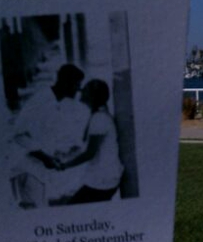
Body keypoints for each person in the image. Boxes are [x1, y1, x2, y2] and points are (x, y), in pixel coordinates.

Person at [10, 63, 90, 207]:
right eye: (76, 85)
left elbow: (43, 135)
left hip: (39, 171)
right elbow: (18, 134)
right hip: (27, 170)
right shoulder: (40, 101)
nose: (78, 90)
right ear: (65, 82)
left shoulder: (57, 103)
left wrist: (61, 151)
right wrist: (45, 157)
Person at [59, 79, 123, 204]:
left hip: (103, 182)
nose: (80, 90)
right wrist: (66, 155)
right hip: (105, 178)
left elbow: (90, 153)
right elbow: (88, 146)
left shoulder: (99, 118)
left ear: (93, 96)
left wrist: (65, 166)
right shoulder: (99, 114)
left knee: (71, 207)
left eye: (85, 89)